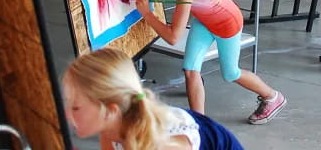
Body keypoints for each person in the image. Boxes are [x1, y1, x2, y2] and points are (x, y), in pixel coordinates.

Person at [135, 0, 286, 124]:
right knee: (190, 70)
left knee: (230, 73)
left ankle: (272, 97)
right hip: (205, 21)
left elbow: (174, 37)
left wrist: (147, 15)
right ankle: (200, 124)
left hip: (227, 24)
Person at [63, 48, 244, 150]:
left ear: (111, 111)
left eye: (76, 107)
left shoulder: (163, 145)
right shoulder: (111, 128)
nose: (66, 113)